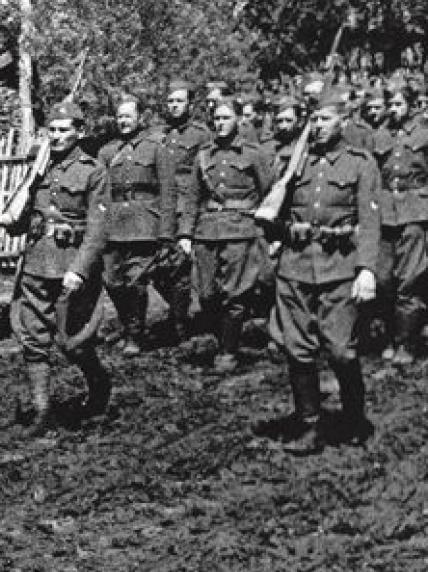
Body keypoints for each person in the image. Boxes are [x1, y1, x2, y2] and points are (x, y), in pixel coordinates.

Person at [267, 89, 380, 454]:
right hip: (295, 265)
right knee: (297, 348)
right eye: (314, 119)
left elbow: (370, 221)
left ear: (343, 122)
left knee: (341, 351)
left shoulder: (360, 163)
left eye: (325, 119)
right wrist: (277, 233)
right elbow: (273, 211)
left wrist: (366, 269)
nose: (318, 125)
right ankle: (309, 424)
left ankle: (354, 417)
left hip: (340, 266)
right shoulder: (294, 161)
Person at [8, 102, 111, 436]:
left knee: (74, 342)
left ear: (79, 132)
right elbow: (22, 219)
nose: (56, 136)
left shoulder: (93, 171)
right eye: (51, 130)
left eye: (64, 130)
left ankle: (99, 384)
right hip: (37, 263)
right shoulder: (39, 168)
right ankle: (42, 412)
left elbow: (97, 230)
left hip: (71, 265)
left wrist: (80, 270)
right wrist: (12, 216)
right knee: (32, 340)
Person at [179, 99, 275, 372]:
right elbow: (192, 197)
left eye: (226, 118)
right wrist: (186, 233)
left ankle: (228, 351)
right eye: (217, 118)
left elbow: (269, 194)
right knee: (206, 294)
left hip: (241, 231)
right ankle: (222, 338)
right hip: (207, 231)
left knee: (235, 293)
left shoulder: (253, 154)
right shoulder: (204, 154)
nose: (220, 123)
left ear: (238, 120)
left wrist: (268, 231)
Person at [98, 95, 179, 354]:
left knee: (135, 282)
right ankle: (128, 325)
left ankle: (134, 335)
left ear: (140, 118)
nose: (123, 121)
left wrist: (166, 231)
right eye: (120, 116)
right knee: (112, 282)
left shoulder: (156, 148)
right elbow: (99, 193)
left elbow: (168, 191)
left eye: (128, 116)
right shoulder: (107, 152)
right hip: (113, 226)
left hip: (145, 225)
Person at [371, 82, 428, 364]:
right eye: (390, 105)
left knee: (410, 279)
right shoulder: (379, 135)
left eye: (399, 104)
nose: (393, 110)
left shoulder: (424, 133)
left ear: (411, 105)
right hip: (384, 213)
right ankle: (388, 336)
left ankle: (406, 342)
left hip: (415, 211)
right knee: (383, 280)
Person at [158, 79, 213, 341]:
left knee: (184, 268)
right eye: (170, 101)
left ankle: (183, 323)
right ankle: (178, 311)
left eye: (179, 101)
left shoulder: (201, 135)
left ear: (190, 104)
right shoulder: (159, 135)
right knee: (160, 268)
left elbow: (207, 175)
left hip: (188, 208)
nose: (174, 106)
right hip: (163, 208)